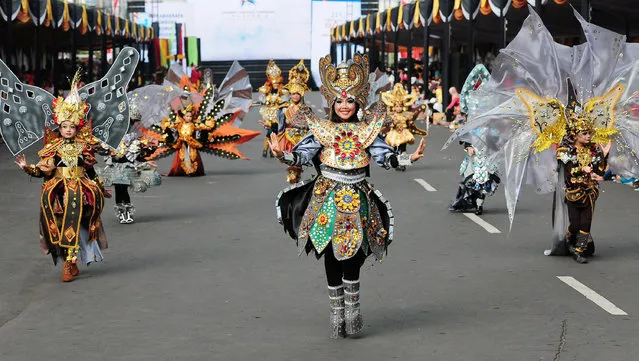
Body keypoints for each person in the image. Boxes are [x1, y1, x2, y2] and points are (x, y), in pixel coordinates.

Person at [270, 53, 425, 338]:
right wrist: (285, 153)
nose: (344, 105)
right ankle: (336, 311)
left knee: (355, 253)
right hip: (327, 197)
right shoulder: (321, 129)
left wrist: (408, 159)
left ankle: (353, 308)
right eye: (339, 100)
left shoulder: (367, 130)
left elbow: (384, 156)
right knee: (330, 252)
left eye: (349, 100)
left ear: (358, 102)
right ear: (331, 102)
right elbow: (302, 156)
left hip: (358, 199)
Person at [14, 76, 110, 282]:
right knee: (60, 226)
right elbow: (44, 171)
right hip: (59, 192)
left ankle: (71, 261)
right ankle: (68, 260)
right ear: (59, 126)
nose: (68, 129)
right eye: (65, 126)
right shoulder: (53, 148)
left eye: (72, 126)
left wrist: (100, 188)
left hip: (82, 191)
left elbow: (90, 171)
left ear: (77, 128)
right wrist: (28, 168)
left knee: (77, 224)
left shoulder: (84, 148)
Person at [277, 60, 311, 183]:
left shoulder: (306, 109)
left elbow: (310, 125)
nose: (295, 96)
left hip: (302, 137)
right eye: (292, 94)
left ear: (301, 94)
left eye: (297, 94)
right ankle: (292, 178)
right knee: (291, 161)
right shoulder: (285, 108)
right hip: (288, 137)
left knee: (300, 162)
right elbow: (280, 125)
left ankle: (297, 178)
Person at [381, 83, 428, 171]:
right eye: (397, 106)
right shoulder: (391, 115)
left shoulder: (407, 115)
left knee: (403, 149)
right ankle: (398, 162)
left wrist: (412, 127)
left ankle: (403, 163)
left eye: (400, 106)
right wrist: (392, 124)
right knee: (395, 149)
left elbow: (411, 124)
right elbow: (388, 124)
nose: (398, 108)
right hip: (394, 133)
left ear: (403, 107)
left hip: (404, 133)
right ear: (394, 107)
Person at [448, 142, 500, 215]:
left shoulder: (492, 132)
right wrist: (469, 147)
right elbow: (467, 139)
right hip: (474, 163)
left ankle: (479, 206)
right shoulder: (473, 132)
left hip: (487, 161)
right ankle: (472, 201)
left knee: (484, 186)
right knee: (471, 184)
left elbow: (497, 143)